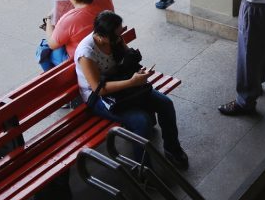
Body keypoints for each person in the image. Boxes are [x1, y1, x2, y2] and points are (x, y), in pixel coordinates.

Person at [76, 11, 188, 168]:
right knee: (142, 121)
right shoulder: (86, 53)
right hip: (100, 98)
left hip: (124, 86)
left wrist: (136, 72)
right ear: (101, 37)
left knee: (166, 104)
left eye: (120, 33)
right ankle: (143, 170)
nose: (120, 38)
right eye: (116, 36)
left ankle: (172, 149)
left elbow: (128, 58)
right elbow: (99, 89)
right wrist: (132, 82)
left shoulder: (113, 39)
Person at [39, 0, 114, 71]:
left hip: (83, 63)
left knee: (43, 49)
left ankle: (56, 78)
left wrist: (48, 19)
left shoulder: (69, 20)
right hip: (108, 48)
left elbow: (52, 44)